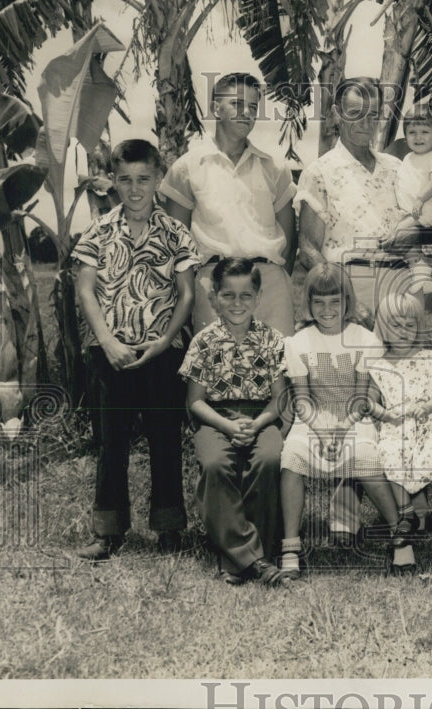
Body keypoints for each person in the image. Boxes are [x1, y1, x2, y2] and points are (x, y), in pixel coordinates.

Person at [72, 139, 199, 560]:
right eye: (125, 180)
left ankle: (168, 528)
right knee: (112, 442)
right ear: (114, 181)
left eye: (143, 179)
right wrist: (106, 341)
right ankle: (108, 531)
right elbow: (85, 289)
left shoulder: (176, 232)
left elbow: (186, 294)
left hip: (162, 352)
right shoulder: (98, 230)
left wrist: (166, 340)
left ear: (158, 178)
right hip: (110, 354)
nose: (134, 189)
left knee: (165, 438)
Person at [278, 264, 415, 577]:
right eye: (319, 302)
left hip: (354, 418)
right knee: (291, 458)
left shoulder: (364, 339)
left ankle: (399, 537)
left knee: (365, 457)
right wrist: (323, 429)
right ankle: (290, 545)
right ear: (309, 303)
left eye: (335, 302)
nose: (327, 310)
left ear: (347, 301)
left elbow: (364, 396)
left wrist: (342, 427)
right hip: (314, 420)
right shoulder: (298, 342)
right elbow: (302, 400)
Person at [178, 258, 289, 586]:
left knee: (269, 457)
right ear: (213, 297)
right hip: (216, 419)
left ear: (257, 298)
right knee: (215, 464)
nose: (237, 303)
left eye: (245, 296)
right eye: (228, 295)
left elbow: (280, 399)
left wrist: (256, 426)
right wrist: (227, 427)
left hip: (261, 417)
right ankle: (255, 561)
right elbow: (194, 401)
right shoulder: (204, 341)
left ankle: (241, 557)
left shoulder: (271, 339)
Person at [161, 72, 297, 335]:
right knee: (218, 370)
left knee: (275, 370)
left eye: (253, 106)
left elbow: (290, 240)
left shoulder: (274, 167)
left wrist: (276, 278)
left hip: (269, 285)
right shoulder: (187, 167)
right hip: (214, 284)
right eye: (236, 104)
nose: (246, 112)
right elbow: (176, 245)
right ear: (215, 108)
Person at [295, 77, 413, 321]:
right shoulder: (319, 173)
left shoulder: (396, 168)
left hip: (400, 286)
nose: (365, 122)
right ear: (337, 114)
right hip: (348, 288)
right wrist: (347, 300)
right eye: (355, 113)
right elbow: (308, 251)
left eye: (373, 114)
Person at [365, 293, 432, 573]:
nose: (403, 332)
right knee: (390, 453)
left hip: (428, 419)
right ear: (383, 327)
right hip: (397, 423)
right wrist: (384, 414)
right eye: (395, 325)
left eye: (409, 325)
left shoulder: (429, 357)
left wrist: (428, 406)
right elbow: (369, 400)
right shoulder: (378, 365)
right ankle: (406, 513)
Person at [391, 104, 432, 308]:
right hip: (410, 210)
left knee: (400, 234)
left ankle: (421, 268)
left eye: (425, 132)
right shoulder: (407, 158)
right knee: (401, 237)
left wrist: (420, 199)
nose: (418, 137)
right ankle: (420, 270)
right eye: (412, 132)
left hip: (427, 208)